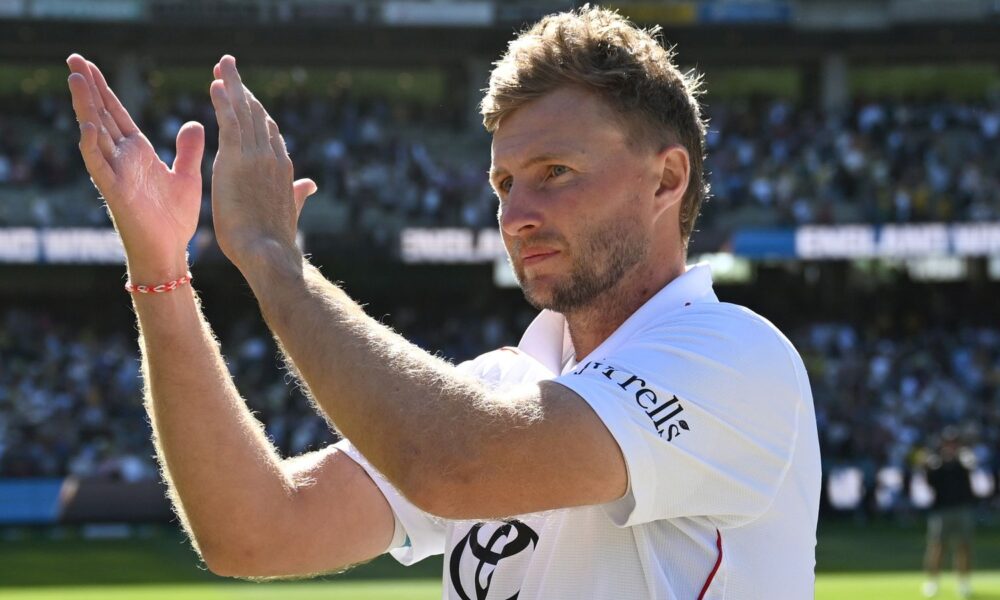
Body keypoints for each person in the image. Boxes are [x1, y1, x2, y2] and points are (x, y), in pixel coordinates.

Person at [66, 6, 820, 598]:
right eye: (503, 184)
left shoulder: (736, 357)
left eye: (555, 171)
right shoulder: (501, 387)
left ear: (665, 179)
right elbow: (254, 530)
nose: (516, 213)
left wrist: (274, 263)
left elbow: (456, 462)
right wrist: (161, 270)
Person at [922, 427, 977, 599]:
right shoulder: (936, 462)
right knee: (937, 546)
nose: (951, 446)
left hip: (962, 508)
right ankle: (933, 581)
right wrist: (927, 467)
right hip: (941, 510)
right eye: (948, 442)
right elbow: (930, 483)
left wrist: (961, 459)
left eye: (954, 443)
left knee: (963, 546)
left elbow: (969, 471)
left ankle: (964, 583)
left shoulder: (964, 460)